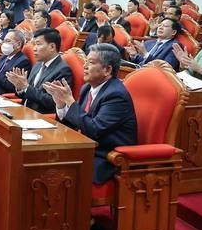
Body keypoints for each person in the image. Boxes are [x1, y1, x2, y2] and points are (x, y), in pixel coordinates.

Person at [45, 43, 138, 184]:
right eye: (86, 61)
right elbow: (74, 124)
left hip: (106, 157)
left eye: (91, 62)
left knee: (50, 171)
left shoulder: (116, 95)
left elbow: (94, 130)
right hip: (85, 148)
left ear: (107, 70)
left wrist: (70, 101)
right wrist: (61, 105)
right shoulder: (87, 88)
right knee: (42, 157)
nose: (85, 66)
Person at [7, 28, 73, 113]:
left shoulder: (63, 70)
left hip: (40, 116)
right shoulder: (38, 64)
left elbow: (52, 103)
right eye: (34, 45)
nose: (34, 49)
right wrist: (20, 87)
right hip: (24, 111)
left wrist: (26, 87)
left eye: (38, 44)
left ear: (52, 47)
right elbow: (27, 93)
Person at [0, 29, 31, 95]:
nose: (4, 44)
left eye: (8, 41)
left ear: (18, 44)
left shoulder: (23, 61)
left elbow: (10, 86)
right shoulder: (3, 57)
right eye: (4, 41)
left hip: (1, 97)